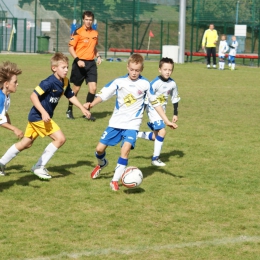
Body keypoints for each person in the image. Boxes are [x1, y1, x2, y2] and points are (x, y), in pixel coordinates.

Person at [88, 54, 178, 191]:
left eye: (137, 70)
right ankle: (102, 163)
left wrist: (167, 121)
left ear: (141, 69)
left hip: (132, 125)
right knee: (99, 149)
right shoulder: (119, 82)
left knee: (125, 151)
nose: (134, 73)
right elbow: (103, 95)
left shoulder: (146, 84)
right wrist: (91, 104)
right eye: (132, 69)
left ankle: (114, 181)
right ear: (127, 67)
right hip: (116, 123)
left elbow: (156, 103)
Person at [0, 53, 91, 179]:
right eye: (63, 67)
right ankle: (39, 166)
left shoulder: (64, 81)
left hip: (38, 117)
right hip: (38, 117)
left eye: (67, 67)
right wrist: (43, 112)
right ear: (54, 68)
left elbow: (69, 95)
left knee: (26, 143)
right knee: (60, 139)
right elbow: (33, 96)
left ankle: (1, 163)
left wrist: (82, 108)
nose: (66, 70)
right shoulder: (48, 82)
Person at [137, 57, 180, 166]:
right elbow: (146, 98)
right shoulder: (155, 83)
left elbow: (175, 98)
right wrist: (141, 112)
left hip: (162, 111)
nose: (167, 72)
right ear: (159, 69)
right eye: (165, 69)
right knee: (162, 131)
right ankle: (155, 159)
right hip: (152, 109)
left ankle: (136, 134)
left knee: (156, 136)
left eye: (170, 70)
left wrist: (175, 113)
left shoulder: (172, 84)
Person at [66, 10, 101, 121]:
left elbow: (93, 47)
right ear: (83, 19)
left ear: (92, 20)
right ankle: (69, 109)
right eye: (86, 19)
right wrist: (77, 60)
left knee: (93, 88)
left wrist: (98, 56)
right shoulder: (77, 32)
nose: (88, 22)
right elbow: (71, 47)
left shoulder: (95, 33)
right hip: (79, 63)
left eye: (90, 20)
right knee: (76, 89)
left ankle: (87, 112)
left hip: (91, 64)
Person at [0, 61, 23, 176]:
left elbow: (4, 112)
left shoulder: (6, 96)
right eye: (15, 82)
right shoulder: (0, 98)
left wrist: (8, 119)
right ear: (6, 84)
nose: (17, 84)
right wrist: (14, 128)